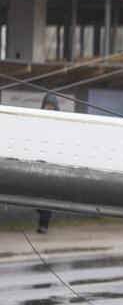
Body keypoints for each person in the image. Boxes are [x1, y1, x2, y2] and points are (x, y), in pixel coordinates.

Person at [35, 94, 61, 234]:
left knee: (48, 196)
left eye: (51, 106)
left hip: (52, 164)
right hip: (39, 162)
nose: (49, 108)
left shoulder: (60, 122)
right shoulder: (39, 119)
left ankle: (44, 225)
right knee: (35, 193)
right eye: (47, 106)